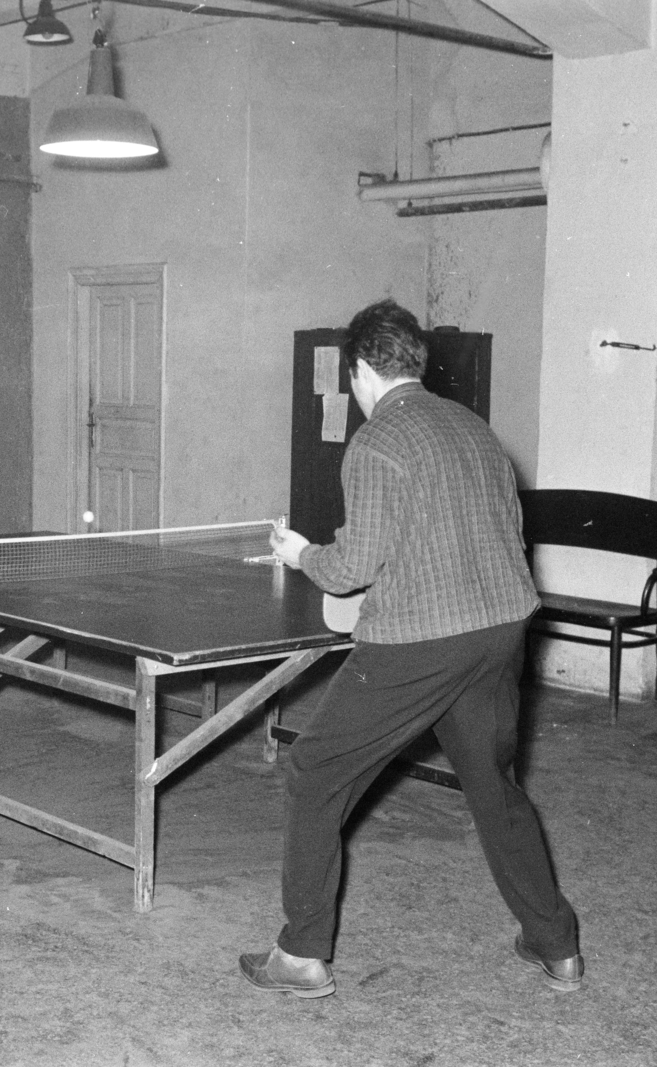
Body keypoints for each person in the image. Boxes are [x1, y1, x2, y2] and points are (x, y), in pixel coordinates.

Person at [243, 299, 580, 998]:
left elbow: (350, 567)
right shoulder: (478, 431)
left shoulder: (375, 442)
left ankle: (302, 954)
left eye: (350, 378)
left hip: (421, 644)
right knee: (494, 786)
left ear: (362, 368)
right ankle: (556, 943)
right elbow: (495, 537)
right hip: (499, 632)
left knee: (315, 770)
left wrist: (301, 552)